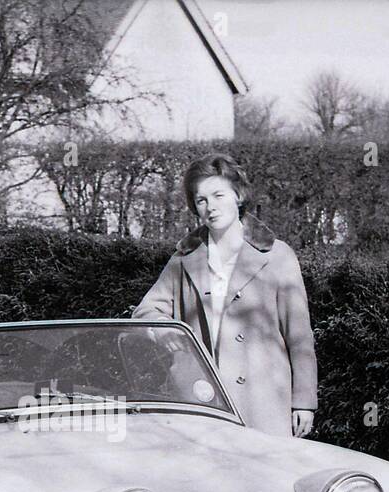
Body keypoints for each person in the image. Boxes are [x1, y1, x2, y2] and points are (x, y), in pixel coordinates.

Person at [133, 153, 317, 438]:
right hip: (202, 402)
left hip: (264, 403)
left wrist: (303, 402)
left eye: (218, 195)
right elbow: (145, 312)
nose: (210, 207)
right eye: (201, 200)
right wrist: (167, 333)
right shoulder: (184, 258)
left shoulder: (277, 255)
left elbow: (300, 337)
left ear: (238, 195)